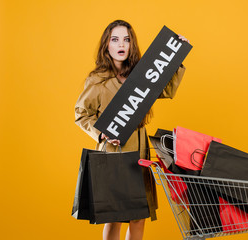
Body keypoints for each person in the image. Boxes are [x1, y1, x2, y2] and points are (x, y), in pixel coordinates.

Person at [74, 20, 189, 240]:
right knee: (114, 217)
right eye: (115, 39)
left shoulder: (142, 75)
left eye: (126, 39)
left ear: (131, 44)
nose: (121, 44)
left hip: (138, 154)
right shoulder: (97, 80)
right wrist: (100, 133)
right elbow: (81, 114)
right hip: (112, 155)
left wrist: (177, 56)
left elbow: (166, 90)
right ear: (106, 45)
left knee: (138, 216)